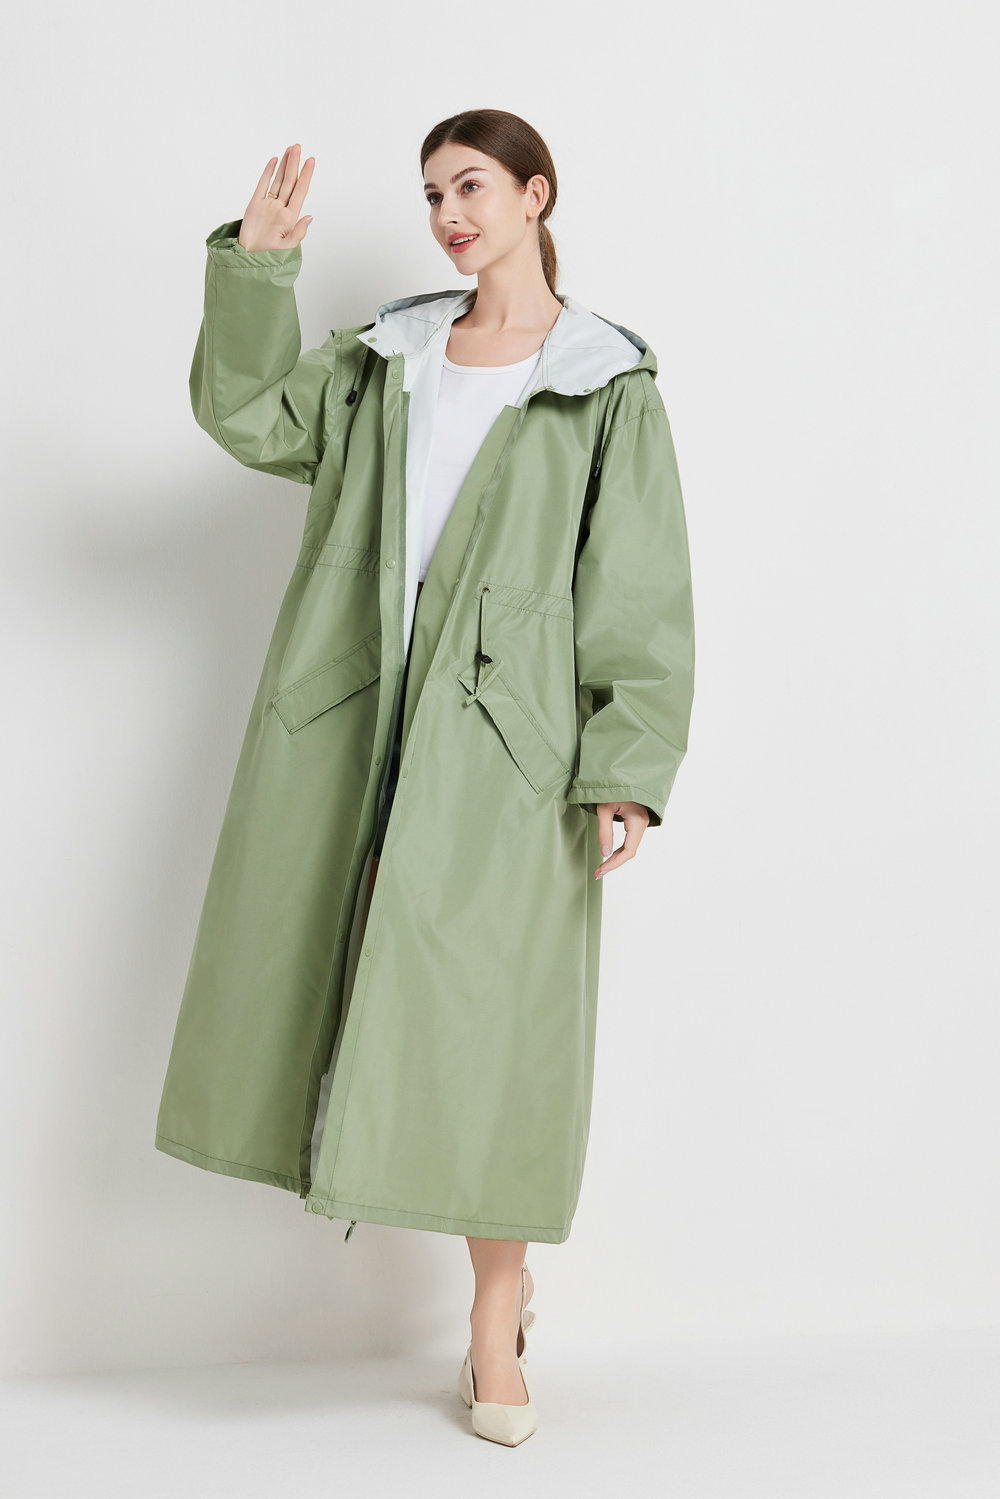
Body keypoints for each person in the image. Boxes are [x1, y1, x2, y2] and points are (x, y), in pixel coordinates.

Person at [156, 110, 695, 1447]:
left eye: (471, 187)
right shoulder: (383, 360)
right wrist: (258, 269)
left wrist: (624, 764)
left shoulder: (605, 384)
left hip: (512, 750)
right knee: (316, 979)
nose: (449, 215)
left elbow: (635, 585)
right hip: (353, 721)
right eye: (432, 194)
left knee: (496, 1032)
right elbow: (247, 415)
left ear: (535, 195)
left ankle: (493, 1317)